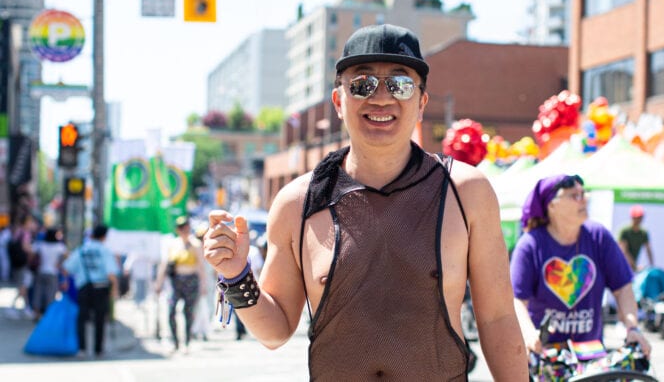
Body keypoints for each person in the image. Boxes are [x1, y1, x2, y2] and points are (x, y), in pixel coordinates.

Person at [203, 24, 527, 380]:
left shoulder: (465, 192)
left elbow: (497, 318)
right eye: (362, 84)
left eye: (400, 84)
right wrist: (236, 275)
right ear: (338, 102)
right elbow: (275, 332)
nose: (382, 97)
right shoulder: (297, 203)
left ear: (421, 103)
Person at [510, 174, 651, 359]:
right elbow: (517, 300)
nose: (584, 199)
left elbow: (622, 288)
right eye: (574, 195)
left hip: (590, 354)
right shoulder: (530, 245)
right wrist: (528, 333)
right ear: (552, 206)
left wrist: (632, 327)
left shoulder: (599, 237)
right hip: (545, 355)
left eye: (584, 194)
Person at [63, 224, 120, 358]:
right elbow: (111, 273)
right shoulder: (105, 251)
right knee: (100, 318)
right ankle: (98, 349)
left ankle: (82, 349)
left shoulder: (81, 249)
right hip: (101, 287)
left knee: (82, 318)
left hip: (84, 287)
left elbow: (66, 268)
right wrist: (115, 289)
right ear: (104, 237)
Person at [155, 216, 207, 352]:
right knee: (171, 311)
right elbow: (164, 264)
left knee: (188, 312)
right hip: (176, 281)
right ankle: (175, 342)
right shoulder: (173, 244)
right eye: (181, 228)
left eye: (186, 228)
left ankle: (187, 341)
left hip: (191, 280)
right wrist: (159, 283)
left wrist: (203, 285)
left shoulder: (195, 244)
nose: (184, 230)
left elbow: (201, 266)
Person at [31, 227, 68, 319]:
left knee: (38, 292)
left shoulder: (41, 245)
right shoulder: (59, 247)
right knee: (50, 294)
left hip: (41, 271)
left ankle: (36, 312)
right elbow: (67, 255)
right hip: (53, 273)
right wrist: (59, 263)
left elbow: (32, 252)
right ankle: (48, 314)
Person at [618, 205, 654, 272]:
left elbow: (648, 250)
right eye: (636, 218)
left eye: (640, 217)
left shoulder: (643, 233)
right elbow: (623, 251)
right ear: (632, 217)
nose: (638, 220)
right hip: (620, 266)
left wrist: (652, 266)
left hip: (631, 268)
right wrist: (635, 266)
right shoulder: (625, 231)